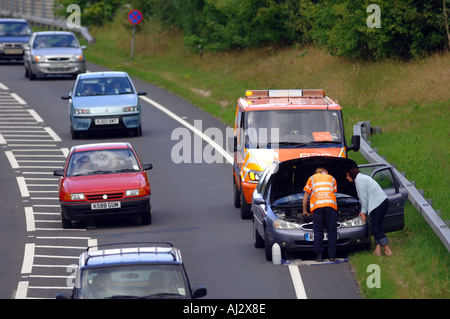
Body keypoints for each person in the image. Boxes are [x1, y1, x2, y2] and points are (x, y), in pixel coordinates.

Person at [346, 167, 392, 257]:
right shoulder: (362, 178)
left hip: (379, 203)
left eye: (347, 176)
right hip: (379, 203)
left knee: (376, 228)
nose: (347, 178)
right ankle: (377, 251)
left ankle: (388, 250)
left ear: (351, 175)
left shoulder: (359, 181)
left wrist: (363, 213)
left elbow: (364, 198)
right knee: (376, 227)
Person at [303, 167, 338, 262]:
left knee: (318, 231)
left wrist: (304, 210)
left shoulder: (312, 178)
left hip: (318, 208)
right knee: (332, 231)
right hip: (331, 207)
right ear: (324, 171)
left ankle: (319, 256)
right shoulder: (332, 178)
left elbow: (306, 195)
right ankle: (332, 256)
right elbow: (334, 192)